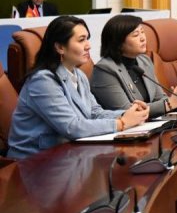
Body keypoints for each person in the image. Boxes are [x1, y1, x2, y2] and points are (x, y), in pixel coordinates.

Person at [7, 16, 148, 159]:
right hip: (34, 161)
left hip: (69, 155)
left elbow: (94, 113)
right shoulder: (43, 80)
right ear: (60, 47)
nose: (88, 46)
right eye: (81, 40)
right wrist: (121, 123)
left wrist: (127, 114)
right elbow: (71, 127)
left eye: (87, 39)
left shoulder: (79, 75)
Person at [91, 14, 177, 118]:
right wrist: (170, 104)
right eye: (136, 35)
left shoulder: (144, 61)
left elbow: (159, 98)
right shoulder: (104, 70)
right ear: (118, 42)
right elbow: (127, 112)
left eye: (142, 32)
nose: (142, 38)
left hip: (149, 126)